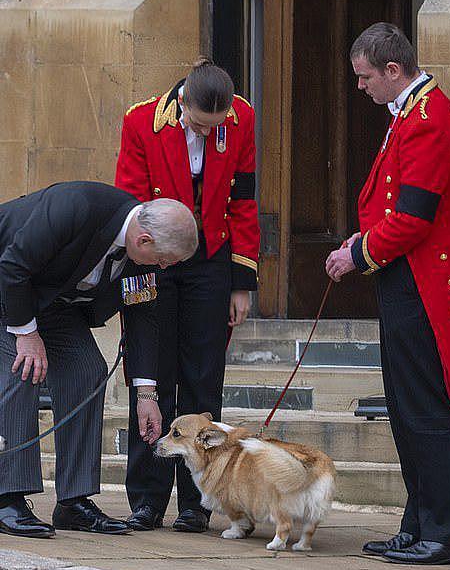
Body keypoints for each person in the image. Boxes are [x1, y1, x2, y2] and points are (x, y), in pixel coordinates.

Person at [326, 23, 450, 565]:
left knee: (424, 410)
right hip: (404, 277)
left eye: (365, 77)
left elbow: (413, 217)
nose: (359, 87)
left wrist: (358, 254)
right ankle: (420, 522)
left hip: (424, 284)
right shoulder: (410, 114)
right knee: (406, 409)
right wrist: (364, 242)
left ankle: (448, 531)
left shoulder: (429, 120)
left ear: (393, 70)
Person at [0, 181, 198, 538]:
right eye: (165, 260)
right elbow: (13, 265)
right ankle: (7, 497)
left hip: (55, 305)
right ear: (145, 241)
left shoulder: (142, 258)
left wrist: (146, 394)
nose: (165, 268)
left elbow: (142, 316)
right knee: (22, 369)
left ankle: (73, 501)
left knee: (86, 369)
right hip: (8, 290)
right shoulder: (76, 206)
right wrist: (27, 335)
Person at [115, 58, 260, 533]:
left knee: (202, 375)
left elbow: (244, 200)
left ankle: (200, 500)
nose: (206, 131)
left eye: (214, 126)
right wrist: (134, 281)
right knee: (151, 372)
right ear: (182, 104)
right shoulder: (141, 121)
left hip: (211, 258)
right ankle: (147, 498)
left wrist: (242, 282)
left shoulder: (242, 118)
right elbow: (131, 207)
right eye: (199, 124)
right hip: (155, 253)